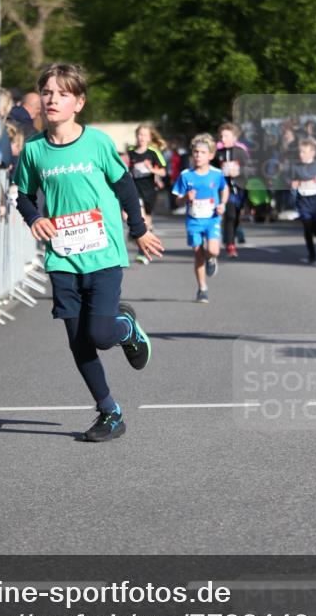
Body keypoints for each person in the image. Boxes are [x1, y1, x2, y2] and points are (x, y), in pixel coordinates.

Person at [14, 63, 163, 442]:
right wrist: (34, 218)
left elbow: (125, 185)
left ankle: (126, 328)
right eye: (47, 92)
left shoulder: (96, 143)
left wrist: (140, 231)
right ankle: (110, 412)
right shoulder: (34, 150)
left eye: (62, 94)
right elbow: (24, 196)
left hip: (103, 253)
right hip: (62, 257)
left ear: (78, 103)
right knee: (78, 340)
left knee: (100, 334)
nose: (52, 99)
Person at [172, 133, 228, 303]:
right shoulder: (186, 175)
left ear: (210, 155)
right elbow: (177, 200)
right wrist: (185, 197)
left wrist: (222, 204)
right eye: (196, 152)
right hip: (194, 220)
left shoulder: (217, 174)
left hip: (212, 218)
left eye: (202, 153)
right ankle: (202, 289)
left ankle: (211, 258)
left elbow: (224, 189)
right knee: (197, 254)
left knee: (213, 250)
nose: (198, 155)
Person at [127, 124, 167, 264]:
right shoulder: (130, 152)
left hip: (149, 191)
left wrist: (151, 169)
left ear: (149, 137)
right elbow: (125, 168)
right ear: (136, 136)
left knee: (147, 221)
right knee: (140, 215)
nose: (142, 137)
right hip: (134, 189)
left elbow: (163, 172)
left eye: (145, 135)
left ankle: (143, 249)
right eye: (139, 134)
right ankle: (139, 245)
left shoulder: (153, 152)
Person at [215, 122, 249, 257]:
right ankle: (230, 245)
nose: (222, 139)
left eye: (226, 136)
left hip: (240, 188)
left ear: (234, 137)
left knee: (237, 216)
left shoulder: (241, 152)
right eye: (221, 136)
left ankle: (229, 236)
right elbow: (212, 170)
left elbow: (251, 169)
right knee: (230, 215)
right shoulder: (218, 153)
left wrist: (239, 171)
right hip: (225, 189)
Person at [291, 138, 316, 264]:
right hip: (303, 199)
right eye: (300, 152)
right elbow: (292, 179)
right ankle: (312, 253)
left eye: (305, 152)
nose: (302, 155)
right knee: (307, 226)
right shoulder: (296, 167)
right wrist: (293, 184)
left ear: (312, 153)